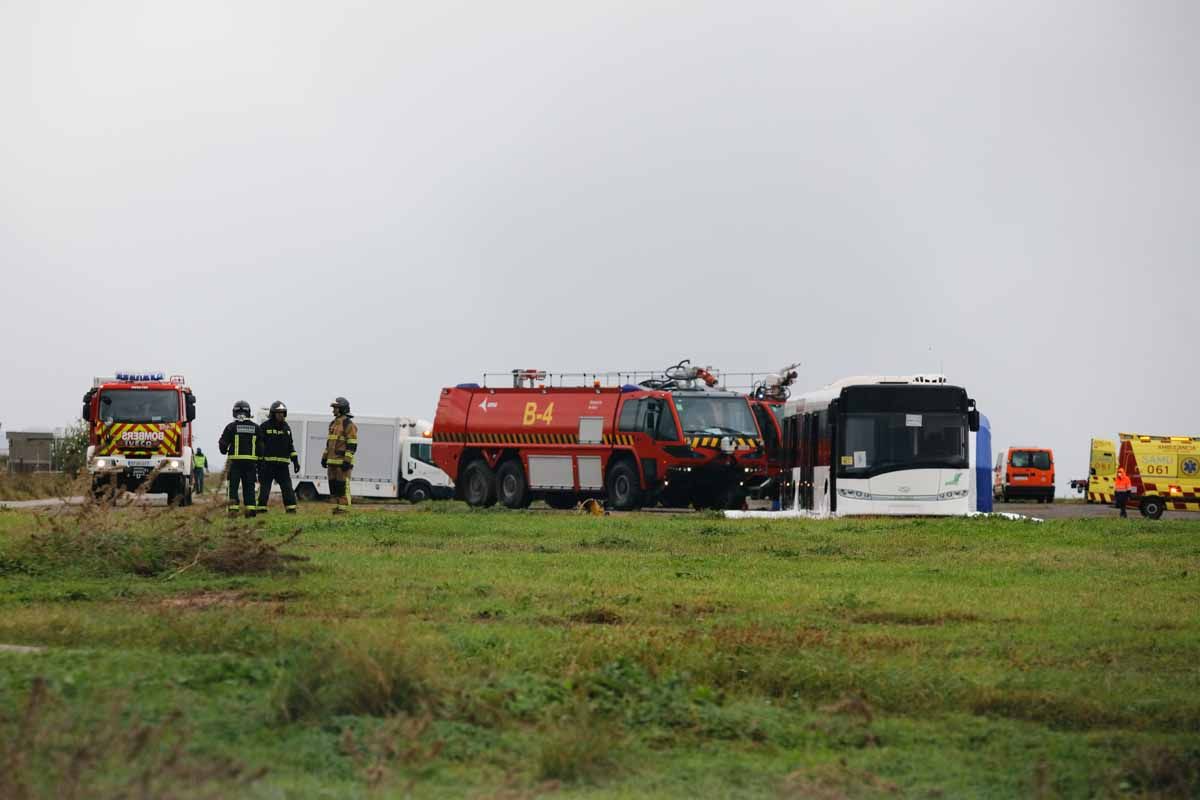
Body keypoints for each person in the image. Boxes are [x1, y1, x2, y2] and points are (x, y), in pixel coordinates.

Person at [219, 400, 262, 518]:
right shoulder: (256, 428)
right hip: (250, 465)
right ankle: (251, 511)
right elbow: (261, 449)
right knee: (249, 488)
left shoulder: (231, 427)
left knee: (233, 488)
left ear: (234, 412)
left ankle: (233, 512)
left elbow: (222, 446)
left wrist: (225, 450)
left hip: (235, 464)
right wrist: (259, 463)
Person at [257, 401, 300, 514]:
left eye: (283, 413)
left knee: (287, 488)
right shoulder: (264, 427)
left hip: (282, 466)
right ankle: (261, 509)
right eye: (278, 413)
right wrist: (259, 463)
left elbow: (290, 446)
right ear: (273, 414)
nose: (281, 415)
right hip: (267, 465)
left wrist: (295, 461)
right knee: (265, 488)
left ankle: (291, 509)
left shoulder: (287, 428)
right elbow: (259, 446)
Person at [321, 396, 358, 514]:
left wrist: (347, 460)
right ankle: (337, 509)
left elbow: (352, 444)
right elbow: (329, 443)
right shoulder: (333, 424)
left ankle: (344, 510)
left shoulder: (348, 424)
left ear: (342, 409)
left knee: (342, 487)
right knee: (334, 487)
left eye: (335, 408)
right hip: (332, 462)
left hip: (342, 463)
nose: (333, 410)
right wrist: (324, 457)